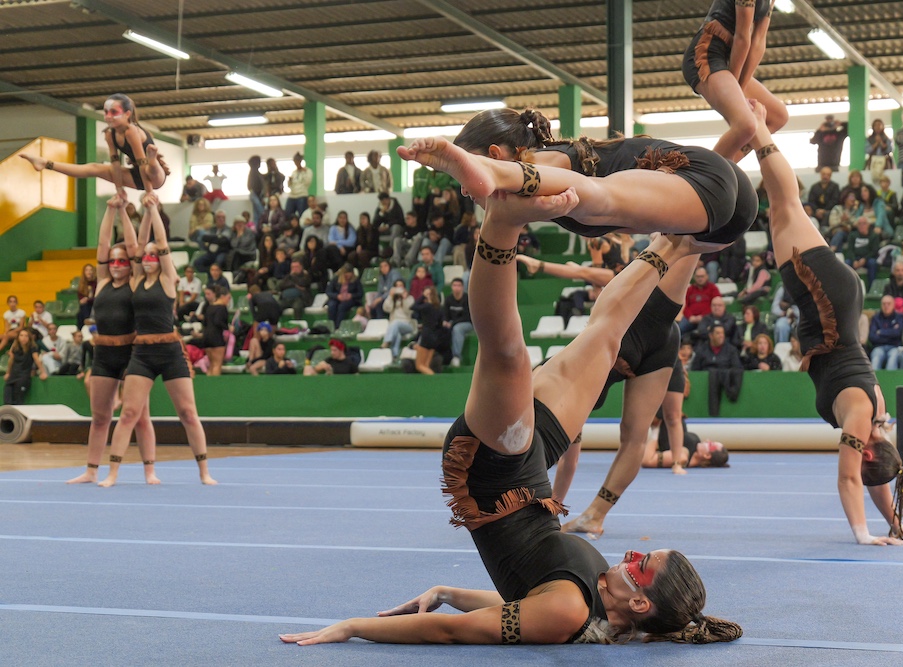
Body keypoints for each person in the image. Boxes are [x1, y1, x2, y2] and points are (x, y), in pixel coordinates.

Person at [281, 186, 740, 648]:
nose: (631, 552)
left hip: (492, 472)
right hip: (529, 473)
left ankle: (501, 221)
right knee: (606, 336)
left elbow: (452, 631)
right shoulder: (595, 596)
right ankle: (677, 242)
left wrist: (352, 626)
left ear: (641, 603)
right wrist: (447, 591)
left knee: (508, 355)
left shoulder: (567, 612)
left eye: (642, 562)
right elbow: (516, 600)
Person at [748, 100, 903, 545]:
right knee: (788, 204)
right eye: (866, 455)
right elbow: (850, 480)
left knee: (782, 209)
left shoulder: (876, 425)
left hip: (833, 307)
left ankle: (760, 132)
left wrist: (896, 523)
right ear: (870, 448)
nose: (858, 457)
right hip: (827, 304)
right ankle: (758, 128)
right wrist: (863, 535)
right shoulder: (861, 418)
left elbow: (872, 475)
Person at [397, 108, 756, 245]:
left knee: (594, 199)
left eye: (468, 169)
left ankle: (492, 172)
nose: (463, 189)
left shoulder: (547, 160)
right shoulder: (544, 181)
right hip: (718, 218)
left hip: (705, 183)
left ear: (496, 154)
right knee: (596, 206)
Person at [557, 256, 701, 537]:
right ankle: (595, 515)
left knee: (632, 434)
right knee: (634, 436)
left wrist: (552, 508)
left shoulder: (556, 391)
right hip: (659, 336)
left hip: (633, 327)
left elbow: (568, 462)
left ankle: (587, 514)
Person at [98, 193, 216, 487]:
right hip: (143, 353)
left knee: (188, 413)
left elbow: (160, 244)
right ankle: (112, 473)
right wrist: (136, 213)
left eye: (153, 256)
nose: (148, 259)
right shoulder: (136, 279)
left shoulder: (168, 279)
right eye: (145, 256)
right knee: (128, 414)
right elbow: (135, 242)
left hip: (171, 350)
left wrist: (153, 209)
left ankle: (204, 472)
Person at [67, 197, 158, 484]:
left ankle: (149, 470)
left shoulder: (135, 281)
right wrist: (109, 210)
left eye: (123, 261)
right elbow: (103, 244)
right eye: (114, 261)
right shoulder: (104, 280)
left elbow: (134, 246)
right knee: (100, 417)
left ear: (130, 265)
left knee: (140, 416)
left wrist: (124, 213)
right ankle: (92, 470)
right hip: (104, 353)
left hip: (132, 354)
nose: (117, 264)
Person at [679, 0, 787, 162]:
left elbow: (758, 41)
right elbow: (742, 37)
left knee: (777, 116)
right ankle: (703, 176)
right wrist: (737, 88)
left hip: (729, 58)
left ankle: (725, 165)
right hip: (707, 53)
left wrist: (740, 86)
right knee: (746, 125)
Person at [20, 94, 168, 199]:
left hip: (155, 177)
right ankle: (46, 163)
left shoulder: (132, 131)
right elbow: (115, 164)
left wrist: (149, 193)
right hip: (136, 175)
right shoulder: (110, 134)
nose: (108, 116)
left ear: (127, 114)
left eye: (114, 112)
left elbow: (142, 162)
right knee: (94, 168)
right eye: (106, 112)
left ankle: (153, 158)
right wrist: (119, 190)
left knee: (149, 166)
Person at [3, 328, 46, 405]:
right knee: (7, 400)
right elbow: (11, 361)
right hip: (13, 376)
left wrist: (43, 372)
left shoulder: (33, 347)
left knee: (18, 400)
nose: (24, 338)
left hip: (23, 377)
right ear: (18, 337)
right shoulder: (15, 348)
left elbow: (36, 359)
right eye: (21, 335)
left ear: (29, 338)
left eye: (26, 336)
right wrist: (8, 373)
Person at [411, 286, 446, 375]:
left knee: (419, 365)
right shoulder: (439, 308)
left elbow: (414, 306)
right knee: (426, 365)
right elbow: (440, 325)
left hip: (426, 336)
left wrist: (422, 296)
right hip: (435, 338)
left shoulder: (427, 307)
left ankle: (436, 380)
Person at [868, 295, 903, 371]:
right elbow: (872, 337)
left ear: (893, 305)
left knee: (893, 355)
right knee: (876, 355)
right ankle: (874, 382)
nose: (886, 306)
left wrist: (880, 332)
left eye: (889, 304)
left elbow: (898, 333)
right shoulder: (876, 318)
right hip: (878, 347)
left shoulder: (900, 317)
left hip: (895, 347)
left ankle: (891, 382)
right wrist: (891, 334)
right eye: (884, 304)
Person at [442, 278, 473, 368]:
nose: (456, 288)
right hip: (453, 323)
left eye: (459, 285)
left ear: (463, 287)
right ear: (451, 287)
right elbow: (445, 314)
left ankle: (456, 357)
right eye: (454, 285)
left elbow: (468, 316)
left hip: (468, 323)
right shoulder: (448, 299)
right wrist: (445, 321)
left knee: (457, 329)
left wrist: (453, 323)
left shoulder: (467, 298)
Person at [285, 152, 312, 220]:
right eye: (295, 161)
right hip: (292, 195)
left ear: (301, 161)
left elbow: (307, 183)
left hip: (301, 195)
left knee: (302, 215)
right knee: (288, 215)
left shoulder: (308, 171)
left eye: (297, 161)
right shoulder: (294, 172)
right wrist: (290, 181)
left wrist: (304, 172)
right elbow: (289, 186)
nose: (296, 163)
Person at [76, 264, 97, 330]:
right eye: (87, 270)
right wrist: (85, 300)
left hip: (96, 305)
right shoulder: (81, 285)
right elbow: (81, 298)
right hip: (86, 307)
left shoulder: (97, 282)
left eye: (91, 270)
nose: (89, 272)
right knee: (80, 313)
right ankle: (82, 329)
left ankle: (88, 321)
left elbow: (98, 297)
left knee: (87, 305)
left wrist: (88, 299)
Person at [247, 155, 266, 223]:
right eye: (259, 162)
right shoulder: (253, 172)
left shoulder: (257, 173)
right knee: (262, 213)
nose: (260, 164)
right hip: (254, 194)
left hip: (257, 195)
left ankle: (256, 229)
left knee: (256, 215)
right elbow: (249, 186)